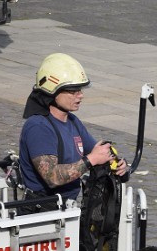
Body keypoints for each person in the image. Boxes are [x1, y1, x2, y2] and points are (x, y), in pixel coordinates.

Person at [18, 53, 127, 202]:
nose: (80, 95)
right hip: (42, 213)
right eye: (72, 91)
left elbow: (95, 150)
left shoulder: (72, 121)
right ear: (52, 91)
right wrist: (91, 160)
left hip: (68, 209)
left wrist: (117, 163)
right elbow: (52, 177)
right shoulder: (38, 127)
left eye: (80, 90)